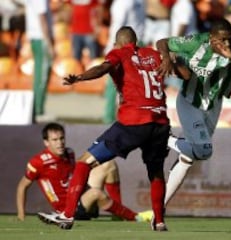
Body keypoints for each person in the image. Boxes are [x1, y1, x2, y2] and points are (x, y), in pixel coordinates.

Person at [37, 26, 171, 231]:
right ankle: (160, 221)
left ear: (118, 43)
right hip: (160, 122)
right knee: (156, 173)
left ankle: (67, 215)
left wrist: (81, 77)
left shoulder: (120, 53)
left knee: (84, 162)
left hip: (133, 121)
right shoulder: (152, 55)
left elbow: (103, 68)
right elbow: (180, 71)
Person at [155, 18, 231, 206]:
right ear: (212, 39)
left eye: (229, 39)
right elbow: (162, 42)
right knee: (204, 150)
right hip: (190, 102)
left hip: (214, 105)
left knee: (188, 157)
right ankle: (165, 138)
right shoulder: (196, 42)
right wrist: (166, 57)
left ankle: (158, 207)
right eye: (223, 40)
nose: (227, 43)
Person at [16, 122, 152, 222]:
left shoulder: (69, 153)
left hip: (80, 196)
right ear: (46, 142)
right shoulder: (38, 162)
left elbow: (76, 176)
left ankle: (117, 216)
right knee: (95, 193)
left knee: (109, 165)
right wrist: (21, 215)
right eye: (55, 140)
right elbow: (22, 186)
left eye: (62, 138)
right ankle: (135, 217)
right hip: (68, 208)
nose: (60, 143)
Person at [103, 0, 145, 124]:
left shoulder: (121, 3)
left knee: (114, 81)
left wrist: (111, 47)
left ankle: (109, 115)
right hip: (138, 43)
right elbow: (142, 23)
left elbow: (117, 25)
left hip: (123, 44)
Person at [24, 0, 55, 122]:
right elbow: (41, 17)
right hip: (41, 37)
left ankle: (37, 108)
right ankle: (38, 109)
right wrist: (48, 42)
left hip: (36, 36)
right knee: (42, 75)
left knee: (39, 74)